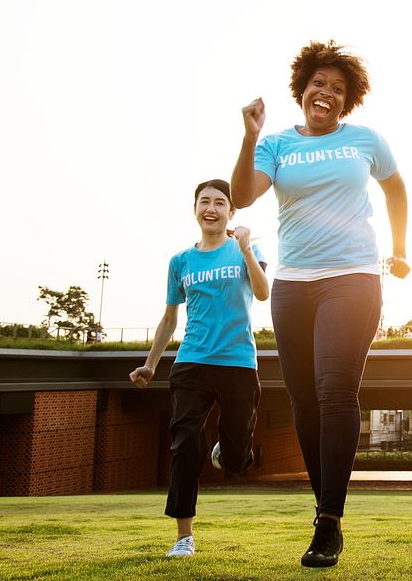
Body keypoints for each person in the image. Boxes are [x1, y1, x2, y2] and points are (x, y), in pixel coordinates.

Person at [230, 40, 409, 568]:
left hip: (352, 276)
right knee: (303, 400)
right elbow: (243, 196)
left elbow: (397, 191)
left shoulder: (365, 140)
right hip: (292, 283)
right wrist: (249, 138)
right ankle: (323, 507)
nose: (325, 93)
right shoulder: (277, 145)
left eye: (337, 88)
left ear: (347, 100)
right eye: (318, 84)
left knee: (335, 390)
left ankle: (328, 521)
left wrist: (399, 248)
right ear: (302, 90)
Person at [129, 179, 269, 558]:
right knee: (185, 445)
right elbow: (169, 318)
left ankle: (230, 447)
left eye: (219, 202)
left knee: (238, 460)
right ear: (195, 209)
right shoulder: (181, 262)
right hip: (191, 362)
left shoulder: (245, 249)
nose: (211, 207)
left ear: (231, 212)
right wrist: (150, 364)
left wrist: (245, 249)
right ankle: (183, 537)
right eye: (204, 201)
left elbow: (262, 292)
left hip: (238, 362)